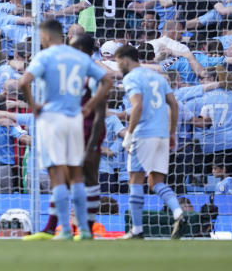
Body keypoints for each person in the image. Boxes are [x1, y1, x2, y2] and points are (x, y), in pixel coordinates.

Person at [19, 21, 113, 241]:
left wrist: (34, 105)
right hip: (74, 120)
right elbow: (108, 80)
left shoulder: (45, 56)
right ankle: (86, 230)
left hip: (52, 118)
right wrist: (89, 105)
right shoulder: (80, 58)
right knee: (77, 176)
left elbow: (24, 81)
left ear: (46, 35)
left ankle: (65, 231)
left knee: (58, 177)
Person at [115, 43, 186, 239]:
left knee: (135, 180)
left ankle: (137, 229)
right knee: (155, 182)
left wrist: (129, 135)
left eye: (118, 62)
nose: (118, 66)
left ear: (126, 60)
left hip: (144, 133)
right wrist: (171, 132)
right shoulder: (156, 77)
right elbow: (173, 104)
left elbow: (137, 107)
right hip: (162, 134)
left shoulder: (131, 78)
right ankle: (178, 212)